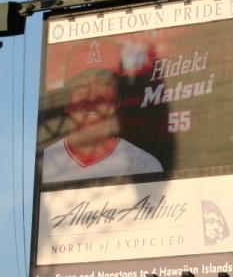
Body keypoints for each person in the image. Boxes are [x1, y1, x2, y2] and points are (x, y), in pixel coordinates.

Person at [41, 39, 163, 183]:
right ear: (66, 101)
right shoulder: (41, 166)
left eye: (104, 82)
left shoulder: (145, 165)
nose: (92, 96)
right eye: (81, 84)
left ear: (118, 98)